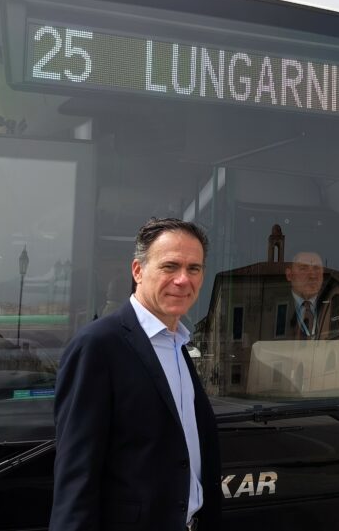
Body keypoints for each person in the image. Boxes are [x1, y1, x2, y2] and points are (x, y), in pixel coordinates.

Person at [51, 218, 221, 531]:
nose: (183, 280)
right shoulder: (98, 345)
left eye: (194, 268)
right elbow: (77, 477)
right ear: (138, 271)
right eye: (170, 266)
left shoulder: (178, 345)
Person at [285, 251, 324, 339]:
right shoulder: (273, 309)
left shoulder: (334, 304)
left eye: (317, 268)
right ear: (289, 275)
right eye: (303, 268)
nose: (312, 276)